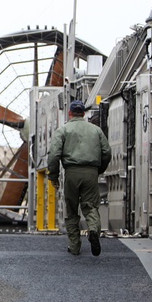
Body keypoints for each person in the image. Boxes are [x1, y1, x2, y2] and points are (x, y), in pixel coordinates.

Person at [47, 100, 111, 256]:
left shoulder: (63, 130)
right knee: (90, 207)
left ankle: (74, 247)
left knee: (71, 210)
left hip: (71, 172)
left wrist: (53, 176)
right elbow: (107, 152)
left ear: (70, 113)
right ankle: (94, 230)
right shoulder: (96, 130)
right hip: (91, 172)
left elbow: (54, 155)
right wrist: (98, 169)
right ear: (83, 113)